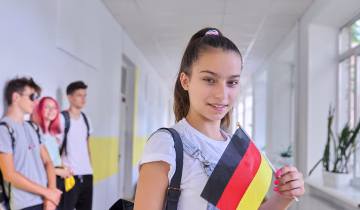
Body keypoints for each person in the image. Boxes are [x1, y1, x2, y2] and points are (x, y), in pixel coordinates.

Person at [134, 28, 305, 210]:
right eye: (209, 79)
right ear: (186, 81)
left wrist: (284, 197)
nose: (222, 95)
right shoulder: (166, 145)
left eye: (232, 82)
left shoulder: (238, 148)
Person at [0, 77, 62, 210]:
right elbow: (9, 174)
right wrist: (47, 193)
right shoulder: (4, 130)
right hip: (24, 205)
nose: (35, 101)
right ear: (16, 97)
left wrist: (50, 194)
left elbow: (47, 161)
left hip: (47, 200)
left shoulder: (33, 128)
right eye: (32, 96)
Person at [57, 81, 93, 210]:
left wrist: (90, 168)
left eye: (85, 95)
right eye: (79, 95)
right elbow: (55, 148)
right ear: (69, 97)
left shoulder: (86, 119)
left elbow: (87, 147)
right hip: (70, 176)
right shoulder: (62, 118)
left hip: (87, 174)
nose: (83, 99)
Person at [30, 97, 74, 194]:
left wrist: (64, 169)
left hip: (57, 180)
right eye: (47, 107)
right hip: (44, 183)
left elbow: (54, 161)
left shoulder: (53, 137)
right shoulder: (36, 134)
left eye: (54, 107)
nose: (51, 110)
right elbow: (36, 167)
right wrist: (59, 171)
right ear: (40, 109)